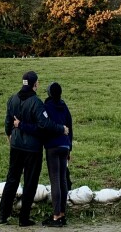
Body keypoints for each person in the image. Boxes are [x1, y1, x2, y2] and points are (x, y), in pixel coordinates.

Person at [0, 71, 68, 227]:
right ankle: (24, 219)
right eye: (38, 83)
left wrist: (10, 134)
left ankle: (3, 215)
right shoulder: (36, 103)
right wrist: (61, 129)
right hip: (32, 149)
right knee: (30, 183)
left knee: (12, 179)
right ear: (35, 84)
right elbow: (44, 125)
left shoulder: (12, 99)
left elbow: (8, 121)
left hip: (16, 146)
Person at [16, 81, 73, 227]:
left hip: (52, 147)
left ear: (49, 93)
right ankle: (63, 214)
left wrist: (21, 125)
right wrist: (69, 148)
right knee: (63, 181)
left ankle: (56, 217)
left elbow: (43, 127)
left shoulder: (46, 107)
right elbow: (70, 127)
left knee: (55, 181)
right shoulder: (64, 106)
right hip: (65, 145)